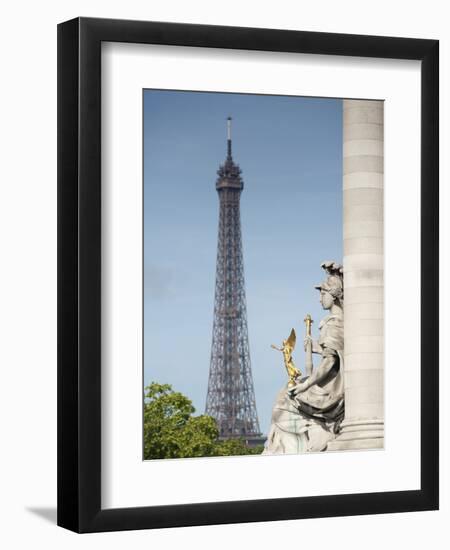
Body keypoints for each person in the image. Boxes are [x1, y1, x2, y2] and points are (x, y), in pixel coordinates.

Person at [263, 262, 345, 454]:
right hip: (336, 386)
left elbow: (330, 362)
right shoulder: (339, 322)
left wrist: (306, 386)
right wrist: (317, 348)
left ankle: (295, 445)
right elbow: (334, 355)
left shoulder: (332, 324)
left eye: (322, 293)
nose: (319, 300)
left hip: (332, 392)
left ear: (334, 295)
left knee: (286, 397)